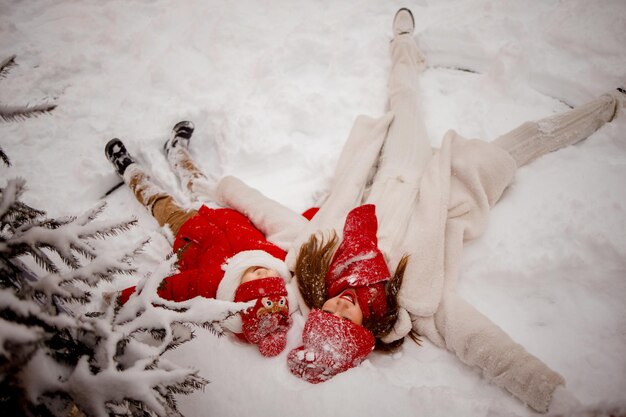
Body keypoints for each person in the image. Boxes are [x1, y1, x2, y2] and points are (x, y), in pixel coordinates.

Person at [208, 8, 625, 413]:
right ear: (365, 331)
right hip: (448, 187)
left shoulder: (314, 263)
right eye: (347, 317)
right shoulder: (418, 303)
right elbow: (481, 341)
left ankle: (404, 44)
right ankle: (610, 105)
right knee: (520, 142)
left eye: (330, 310)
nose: (341, 304)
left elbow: (272, 215)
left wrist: (230, 187)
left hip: (397, 165)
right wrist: (554, 398)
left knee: (404, 99)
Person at [103, 122, 295, 357]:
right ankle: (176, 150)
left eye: (254, 281)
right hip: (220, 209)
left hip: (187, 228)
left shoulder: (210, 285)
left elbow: (167, 290)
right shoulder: (276, 257)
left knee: (159, 201)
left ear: (238, 294)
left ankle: (129, 170)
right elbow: (295, 229)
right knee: (195, 178)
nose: (263, 272)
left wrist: (121, 300)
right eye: (271, 278)